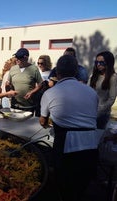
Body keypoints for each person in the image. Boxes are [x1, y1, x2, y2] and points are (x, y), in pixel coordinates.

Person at [39, 54, 99, 201]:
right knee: (81, 187)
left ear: (57, 73)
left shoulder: (50, 93)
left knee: (64, 187)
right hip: (92, 145)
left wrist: (51, 121)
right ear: (75, 72)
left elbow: (42, 121)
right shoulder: (91, 92)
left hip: (67, 146)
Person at [7, 48, 43, 113]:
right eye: (16, 57)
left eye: (19, 57)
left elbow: (40, 84)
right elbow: (8, 83)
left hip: (28, 106)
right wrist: (8, 90)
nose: (17, 59)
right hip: (15, 105)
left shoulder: (34, 69)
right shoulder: (13, 68)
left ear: (26, 58)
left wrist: (32, 92)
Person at [88, 50, 117, 129]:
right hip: (89, 111)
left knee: (97, 137)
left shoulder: (113, 77)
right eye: (96, 62)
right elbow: (88, 90)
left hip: (101, 115)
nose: (98, 64)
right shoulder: (94, 75)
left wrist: (100, 110)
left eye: (101, 62)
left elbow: (111, 99)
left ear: (109, 63)